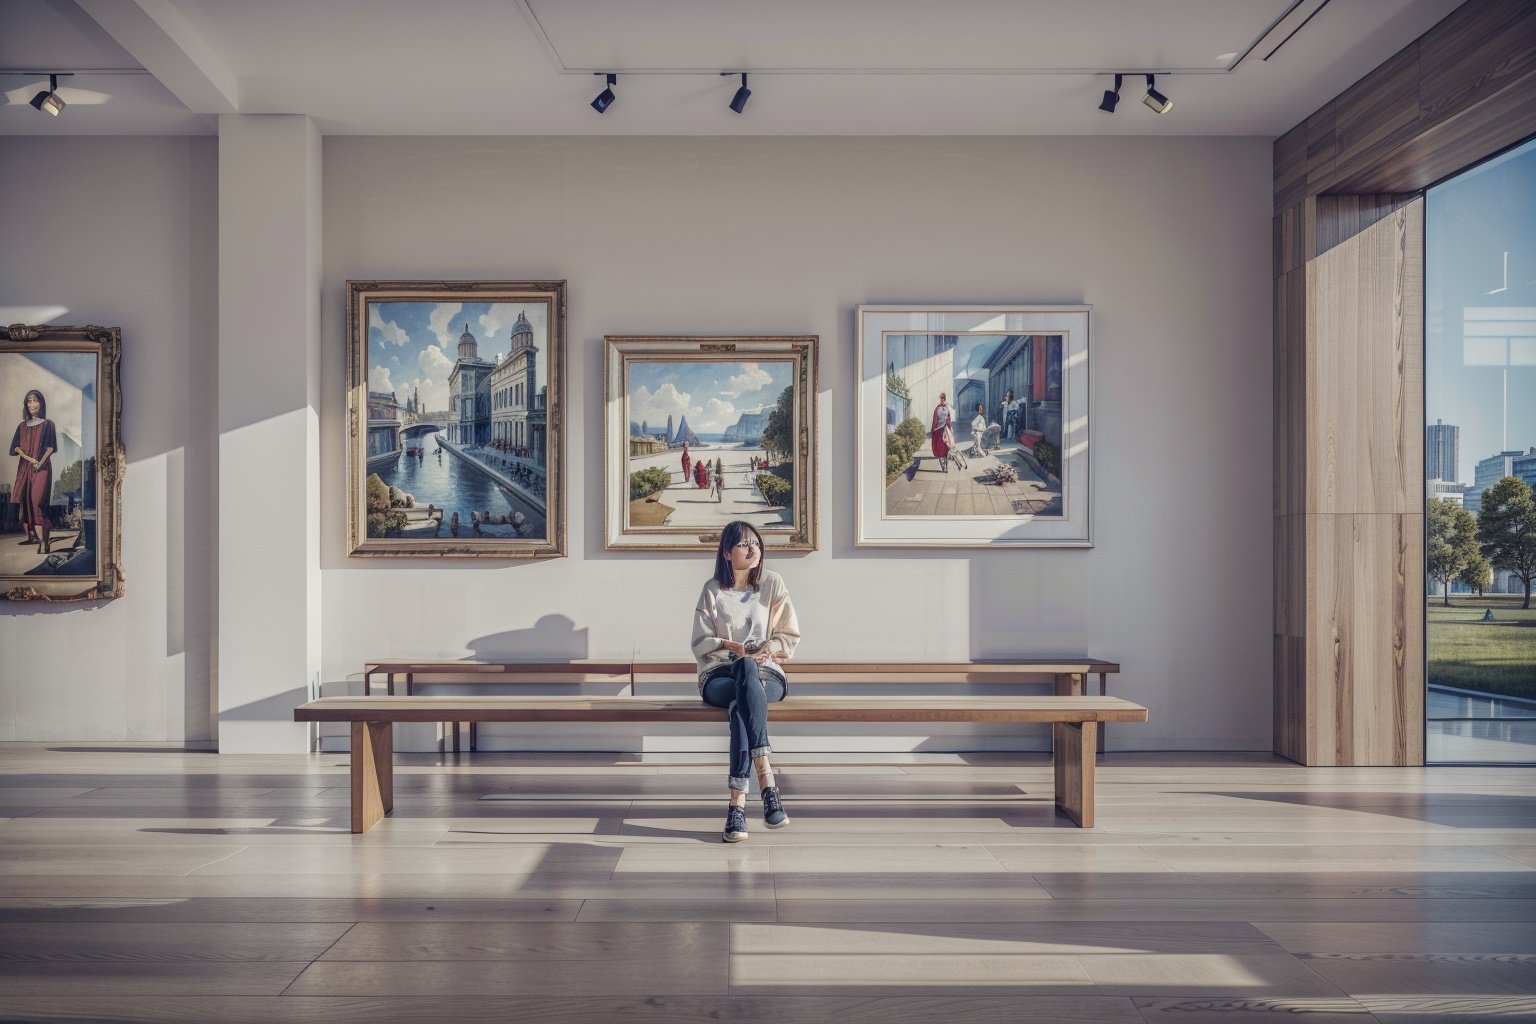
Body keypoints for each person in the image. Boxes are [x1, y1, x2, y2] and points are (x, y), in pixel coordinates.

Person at [692, 520, 801, 842]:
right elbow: (700, 641)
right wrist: (729, 646)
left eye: (755, 543)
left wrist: (768, 649)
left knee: (746, 684)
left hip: (766, 674)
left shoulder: (772, 583)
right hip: (719, 675)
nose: (752, 549)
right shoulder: (713, 589)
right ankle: (767, 784)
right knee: (742, 674)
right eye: (742, 544)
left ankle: (736, 804)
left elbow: (789, 633)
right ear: (727, 552)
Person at [10, 389, 57, 554]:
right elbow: (15, 447)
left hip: (42, 468)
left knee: (39, 503)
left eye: (35, 400)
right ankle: (33, 536)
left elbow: (51, 448)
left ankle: (45, 542)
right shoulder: (21, 426)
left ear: (41, 403)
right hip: (24, 468)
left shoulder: (48, 424)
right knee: (25, 501)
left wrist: (39, 463)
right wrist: (27, 458)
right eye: (29, 401)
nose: (32, 404)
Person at [930, 392, 953, 472]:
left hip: (945, 430)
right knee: (939, 449)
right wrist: (933, 429)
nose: (942, 399)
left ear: (945, 398)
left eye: (943, 398)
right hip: (938, 431)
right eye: (941, 398)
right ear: (940, 399)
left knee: (946, 449)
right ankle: (942, 464)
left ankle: (946, 467)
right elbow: (934, 420)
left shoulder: (947, 408)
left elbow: (949, 419)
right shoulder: (938, 408)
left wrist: (949, 428)